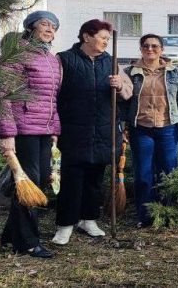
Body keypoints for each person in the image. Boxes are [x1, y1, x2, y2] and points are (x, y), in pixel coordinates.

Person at [53, 19, 132, 245]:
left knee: (95, 177)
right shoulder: (64, 59)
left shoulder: (111, 61)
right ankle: (65, 224)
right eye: (102, 38)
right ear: (87, 37)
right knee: (72, 179)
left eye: (108, 39)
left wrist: (120, 85)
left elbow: (128, 93)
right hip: (73, 129)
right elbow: (53, 92)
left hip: (103, 130)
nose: (106, 42)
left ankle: (89, 219)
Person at [0, 12, 62, 258]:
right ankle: (28, 243)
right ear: (30, 27)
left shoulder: (51, 60)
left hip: (43, 129)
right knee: (28, 183)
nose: (50, 29)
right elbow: (0, 95)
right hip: (22, 130)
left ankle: (11, 236)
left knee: (37, 183)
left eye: (54, 26)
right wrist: (6, 134)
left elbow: (52, 100)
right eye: (45, 23)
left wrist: (54, 130)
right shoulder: (15, 55)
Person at [122, 34, 178, 227]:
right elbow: (123, 103)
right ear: (141, 49)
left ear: (162, 50)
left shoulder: (173, 72)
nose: (150, 49)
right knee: (143, 175)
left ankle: (167, 213)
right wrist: (123, 125)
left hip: (168, 128)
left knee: (169, 172)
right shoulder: (130, 72)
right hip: (141, 129)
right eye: (146, 46)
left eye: (155, 46)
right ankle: (145, 216)